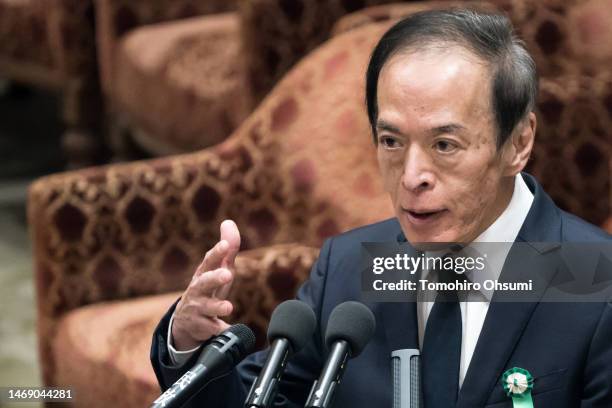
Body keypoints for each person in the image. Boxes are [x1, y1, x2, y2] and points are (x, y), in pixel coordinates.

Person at [150, 9, 612, 407]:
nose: (412, 176)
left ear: (518, 142)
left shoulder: (595, 282)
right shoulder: (350, 269)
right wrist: (188, 345)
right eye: (391, 141)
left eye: (444, 144)